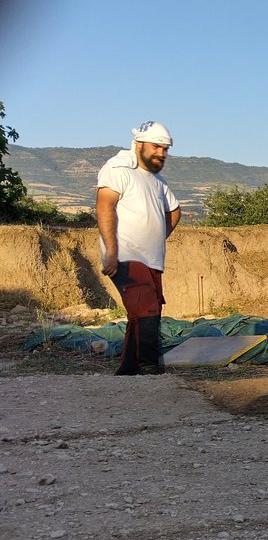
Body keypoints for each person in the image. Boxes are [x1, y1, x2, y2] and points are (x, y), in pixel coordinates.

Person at [95, 121, 181, 376]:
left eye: (165, 149)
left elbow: (174, 211)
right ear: (139, 143)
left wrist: (158, 236)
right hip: (125, 254)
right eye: (156, 146)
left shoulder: (157, 181)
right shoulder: (117, 169)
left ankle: (129, 367)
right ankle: (149, 366)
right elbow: (104, 206)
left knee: (142, 309)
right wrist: (111, 251)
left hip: (152, 258)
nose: (161, 153)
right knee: (146, 305)